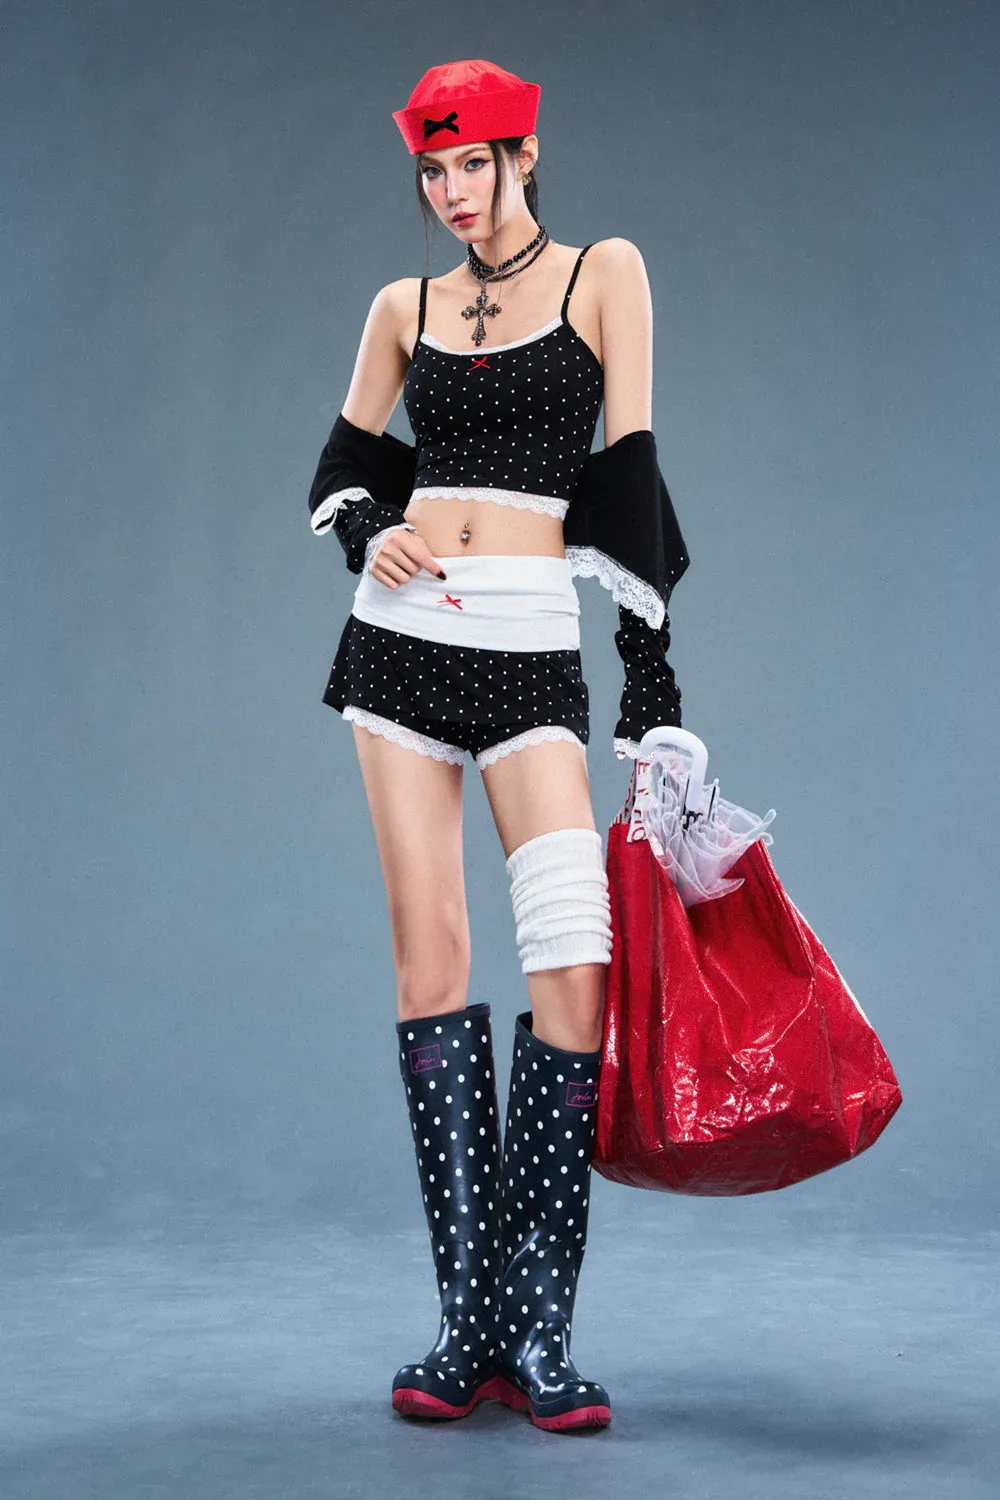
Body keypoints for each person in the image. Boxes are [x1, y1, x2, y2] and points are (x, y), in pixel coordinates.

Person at [305, 59, 690, 1434]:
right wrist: (368, 529)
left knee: (573, 963)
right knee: (434, 961)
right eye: (433, 170)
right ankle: (469, 1322)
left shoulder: (603, 273)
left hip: (530, 641)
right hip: (400, 640)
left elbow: (630, 474)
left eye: (473, 163)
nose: (453, 191)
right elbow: (343, 464)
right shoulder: (401, 307)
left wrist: (649, 681)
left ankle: (541, 1329)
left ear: (524, 153)